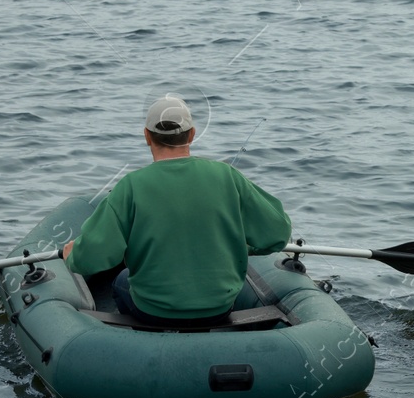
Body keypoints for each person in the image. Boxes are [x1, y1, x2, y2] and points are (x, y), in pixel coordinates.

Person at [61, 95, 292, 326]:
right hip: (219, 309)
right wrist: (241, 246)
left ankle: (142, 342)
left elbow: (93, 256)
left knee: (122, 280)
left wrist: (74, 256)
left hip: (154, 310)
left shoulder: (129, 187)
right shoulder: (228, 176)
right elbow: (278, 234)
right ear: (192, 134)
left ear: (147, 136)